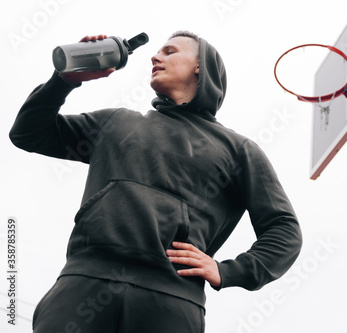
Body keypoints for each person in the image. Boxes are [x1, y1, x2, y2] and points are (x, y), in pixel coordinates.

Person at [10, 31, 302, 333]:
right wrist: (65, 80)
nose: (155, 56)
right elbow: (29, 133)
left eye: (170, 51)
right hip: (83, 283)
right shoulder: (116, 122)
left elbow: (284, 230)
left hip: (172, 299)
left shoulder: (238, 150)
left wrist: (228, 271)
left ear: (200, 65)